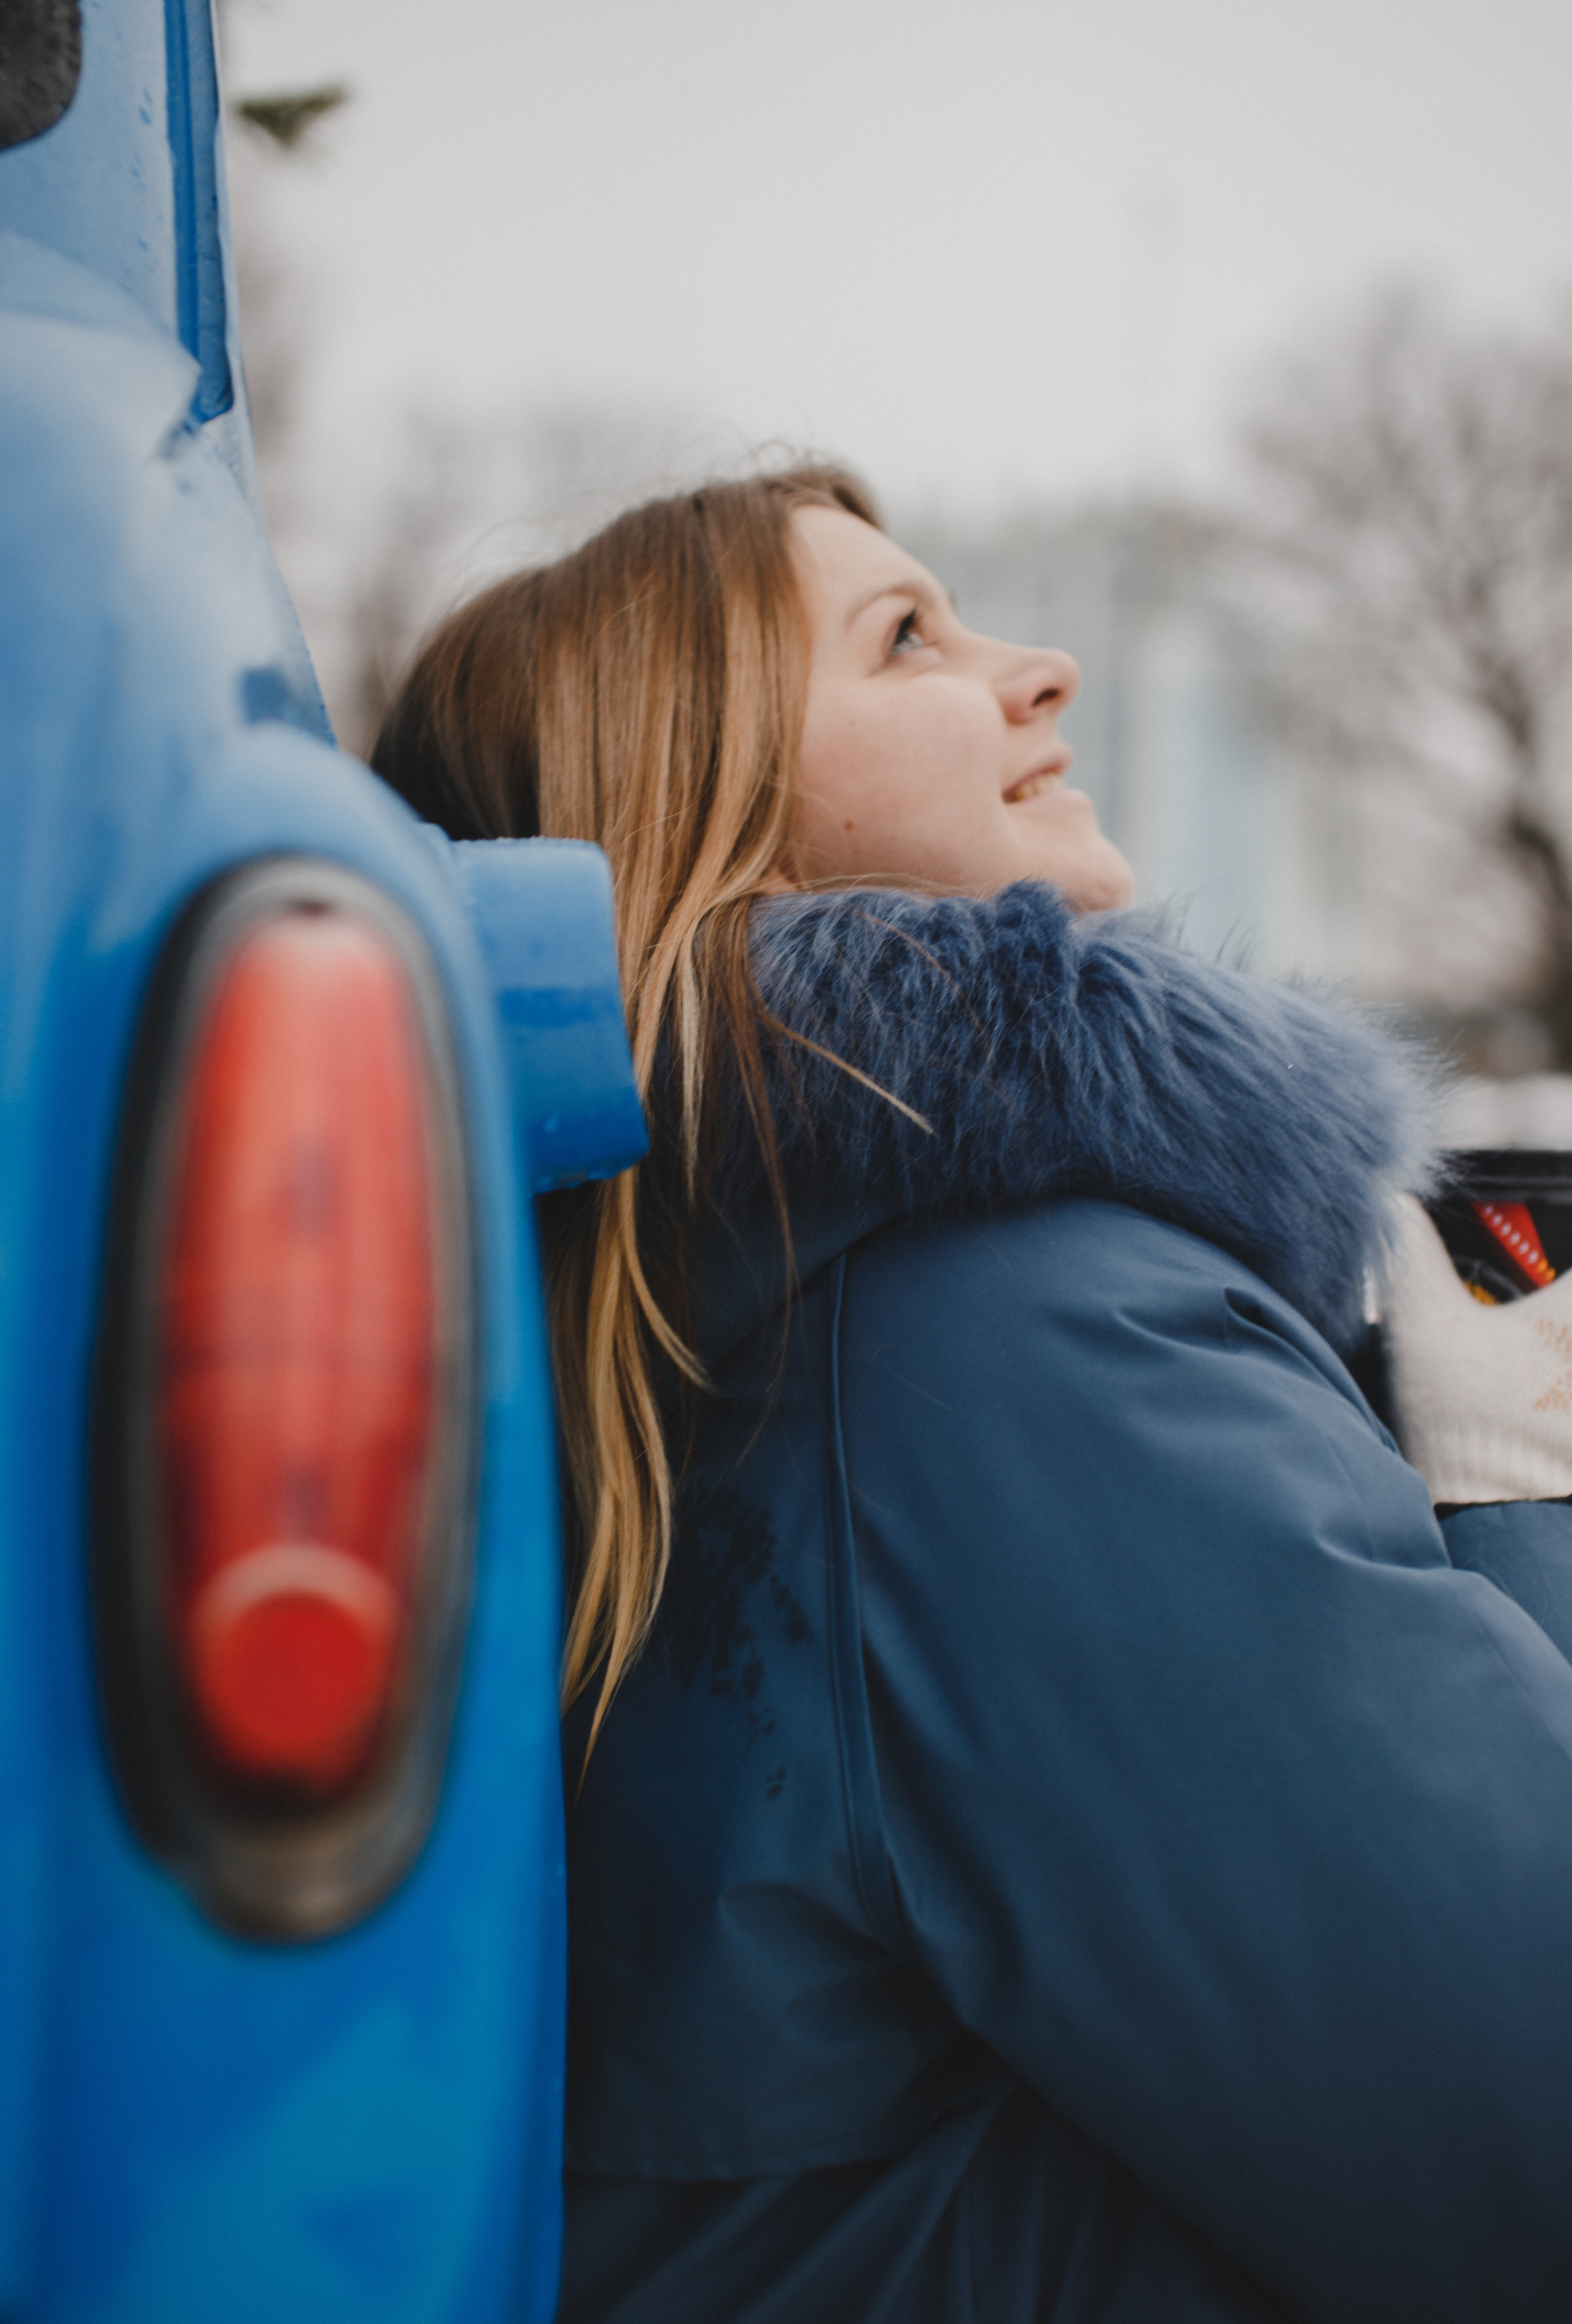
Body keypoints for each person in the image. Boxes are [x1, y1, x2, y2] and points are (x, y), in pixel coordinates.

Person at [372, 466, 1572, 2324]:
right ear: (719, 820)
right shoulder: (1006, 1336)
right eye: (908, 637)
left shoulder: (718, 1319)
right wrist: (1522, 1498)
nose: (1045, 671)